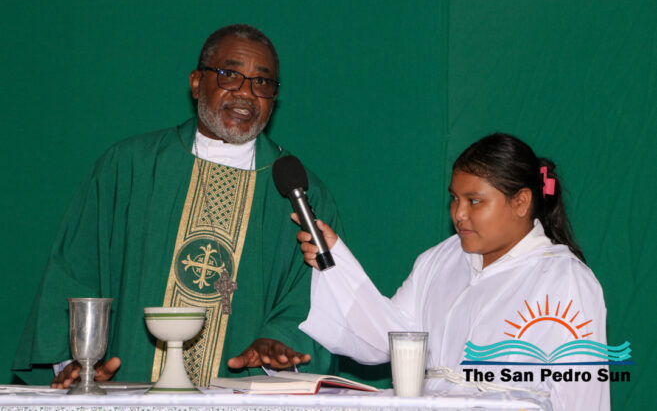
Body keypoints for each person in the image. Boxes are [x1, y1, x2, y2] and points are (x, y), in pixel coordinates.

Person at [13, 24, 343, 388]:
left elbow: (316, 299)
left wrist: (279, 347)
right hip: (129, 395)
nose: (246, 93)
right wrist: (80, 364)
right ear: (197, 83)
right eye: (230, 75)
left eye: (262, 82)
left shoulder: (301, 194)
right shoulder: (129, 168)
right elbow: (75, 274)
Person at [296, 133, 609, 411]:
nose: (459, 214)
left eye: (475, 201)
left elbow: (582, 397)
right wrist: (335, 261)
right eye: (455, 199)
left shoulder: (564, 280)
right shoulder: (440, 260)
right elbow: (386, 339)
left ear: (521, 202)